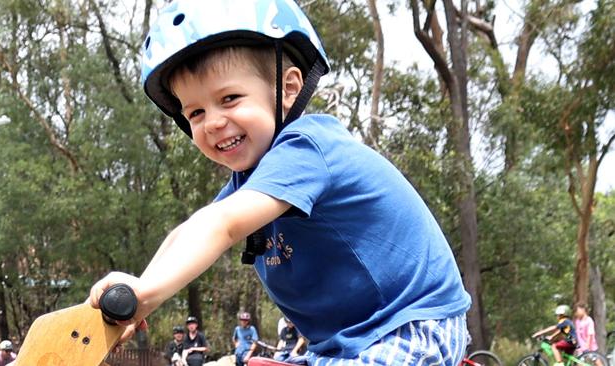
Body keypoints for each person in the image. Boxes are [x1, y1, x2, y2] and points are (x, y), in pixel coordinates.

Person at [88, 0, 471, 365]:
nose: (214, 122)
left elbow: (221, 226)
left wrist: (145, 294)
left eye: (230, 98)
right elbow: (192, 230)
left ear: (288, 88)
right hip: (341, 346)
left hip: (411, 326)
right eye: (196, 112)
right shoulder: (250, 184)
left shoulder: (307, 147)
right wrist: (140, 297)